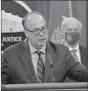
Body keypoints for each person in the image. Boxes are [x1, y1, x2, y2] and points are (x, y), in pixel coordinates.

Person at [1, 12, 88, 84]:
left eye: (44, 28)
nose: (42, 34)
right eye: (36, 31)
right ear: (26, 33)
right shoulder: (10, 55)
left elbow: (83, 74)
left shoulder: (61, 52)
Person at [51, 16, 88, 82]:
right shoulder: (54, 54)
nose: (73, 32)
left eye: (76, 30)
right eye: (69, 30)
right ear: (62, 32)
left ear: (80, 33)